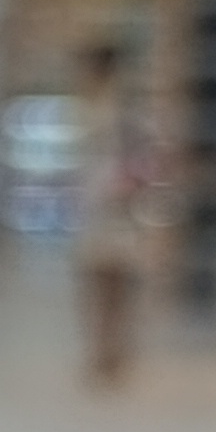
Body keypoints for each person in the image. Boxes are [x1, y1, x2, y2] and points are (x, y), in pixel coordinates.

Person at [75, 37, 160, 386]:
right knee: (101, 283)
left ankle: (113, 354)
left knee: (114, 283)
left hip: (115, 205)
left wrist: (127, 187)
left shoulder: (121, 108)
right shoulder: (99, 104)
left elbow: (139, 155)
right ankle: (104, 352)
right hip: (98, 203)